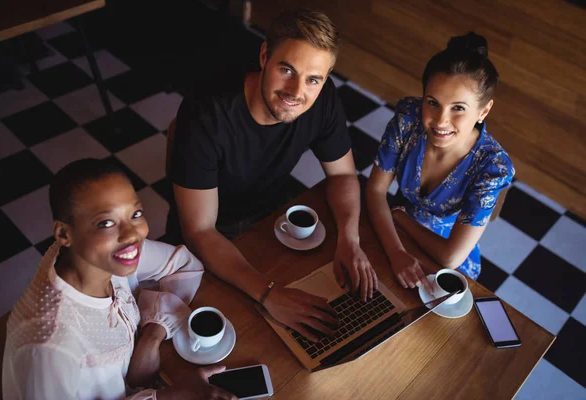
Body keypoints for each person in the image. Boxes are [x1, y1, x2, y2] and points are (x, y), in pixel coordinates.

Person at [166, 9, 377, 342]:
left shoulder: (322, 100)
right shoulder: (208, 112)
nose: (297, 91)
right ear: (265, 56)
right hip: (204, 244)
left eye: (313, 79)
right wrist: (268, 293)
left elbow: (343, 177)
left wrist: (349, 240)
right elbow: (200, 231)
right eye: (287, 70)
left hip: (266, 225)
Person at [2, 158, 236, 400]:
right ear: (64, 234)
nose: (132, 234)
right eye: (106, 223)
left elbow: (184, 265)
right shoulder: (50, 350)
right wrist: (169, 397)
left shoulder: (99, 256)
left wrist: (153, 334)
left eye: (136, 214)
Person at [366, 32, 514, 292]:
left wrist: (402, 218)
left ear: (484, 110)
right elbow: (375, 190)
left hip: (444, 256)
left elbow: (451, 257)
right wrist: (396, 251)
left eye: (458, 108)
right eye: (432, 102)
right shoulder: (407, 120)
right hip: (391, 233)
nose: (440, 121)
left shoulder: (492, 168)